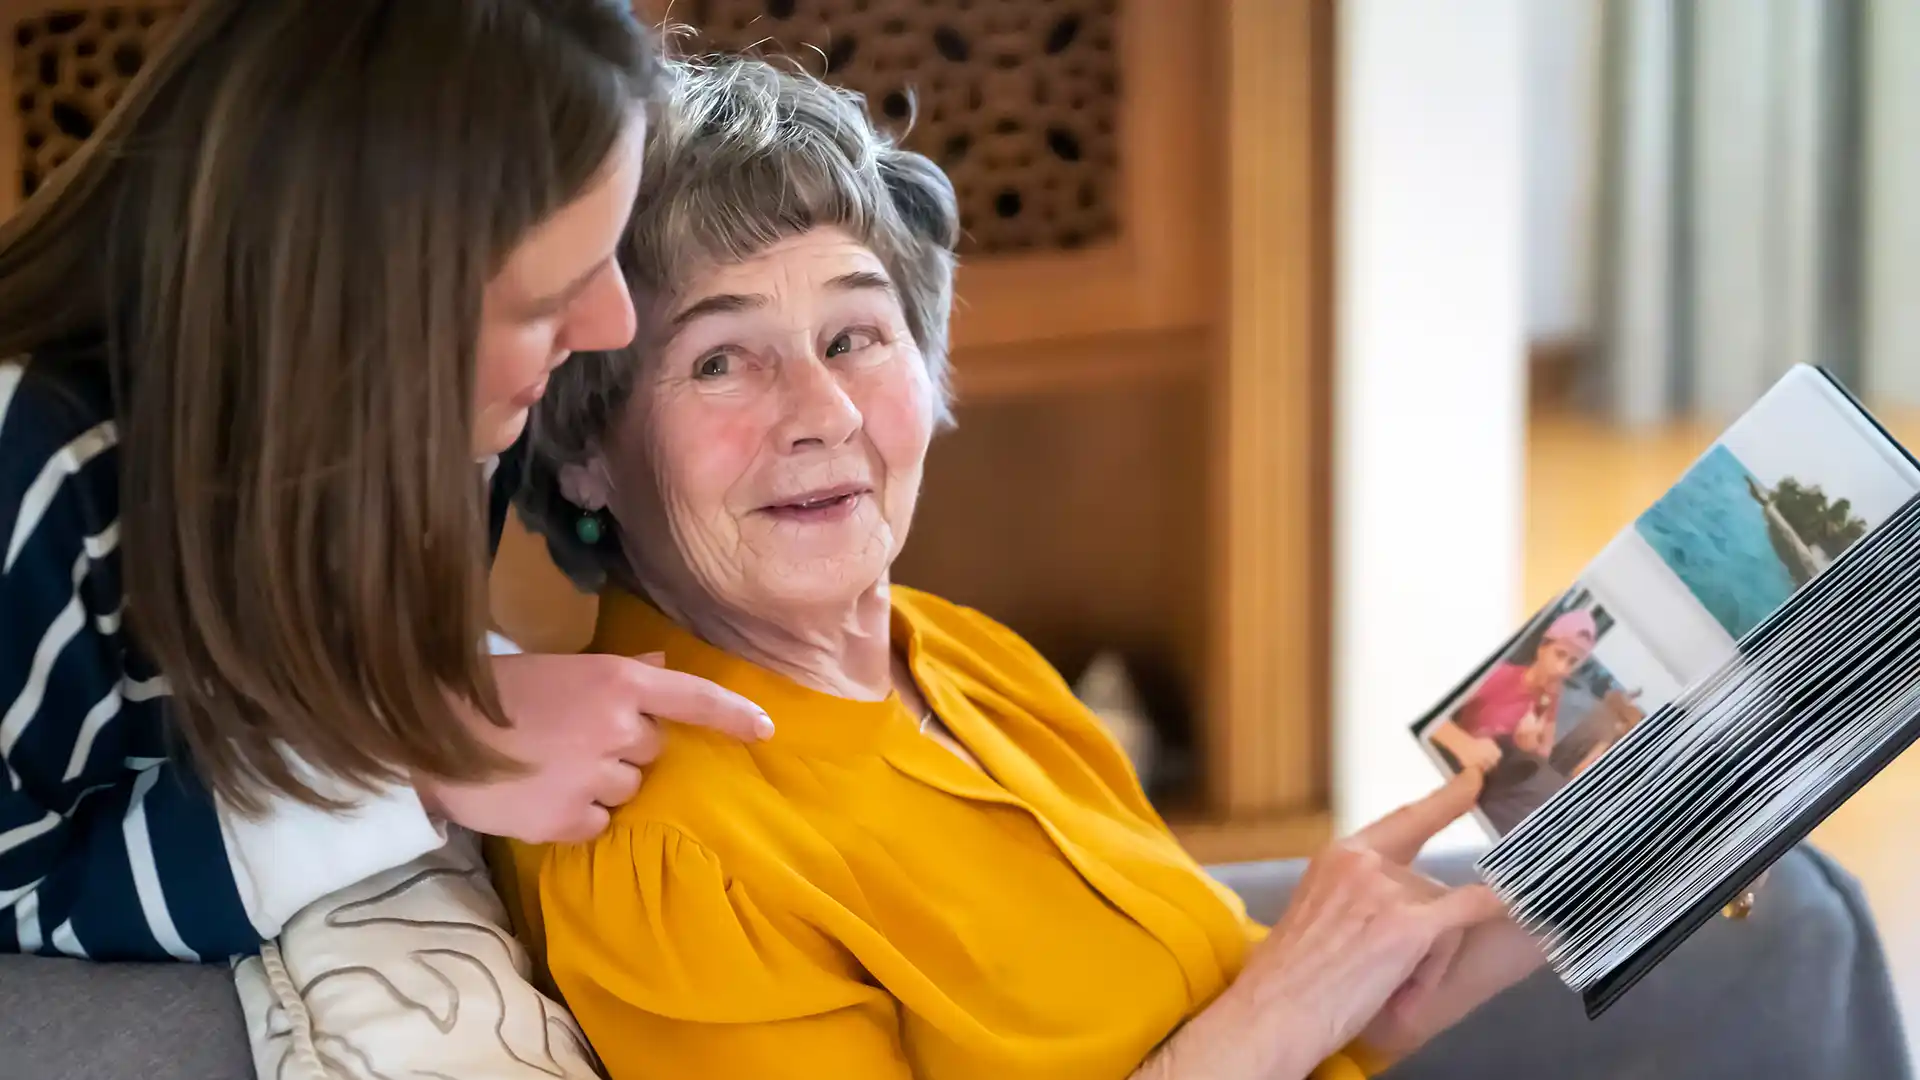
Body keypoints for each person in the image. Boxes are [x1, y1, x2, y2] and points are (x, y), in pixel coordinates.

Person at [494, 58, 1542, 1080]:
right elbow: (1259, 1032)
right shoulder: (670, 853)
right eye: (721, 360)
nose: (825, 413)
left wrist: (1608, 858)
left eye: (855, 335)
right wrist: (1286, 1008)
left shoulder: (953, 652)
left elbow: (1230, 1012)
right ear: (584, 450)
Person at [0, 0, 772, 964]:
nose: (612, 326)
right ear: (351, 309)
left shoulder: (438, 415)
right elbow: (19, 891)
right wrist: (421, 766)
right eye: (544, 300)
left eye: (606, 253)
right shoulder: (36, 479)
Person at [1426, 609, 1597, 775]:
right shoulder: (1499, 674)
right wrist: (1464, 745)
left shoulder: (1551, 696)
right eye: (1559, 654)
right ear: (1542, 648)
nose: (1562, 669)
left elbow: (1545, 750)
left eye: (1572, 662)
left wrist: (1530, 747)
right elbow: (1428, 710)